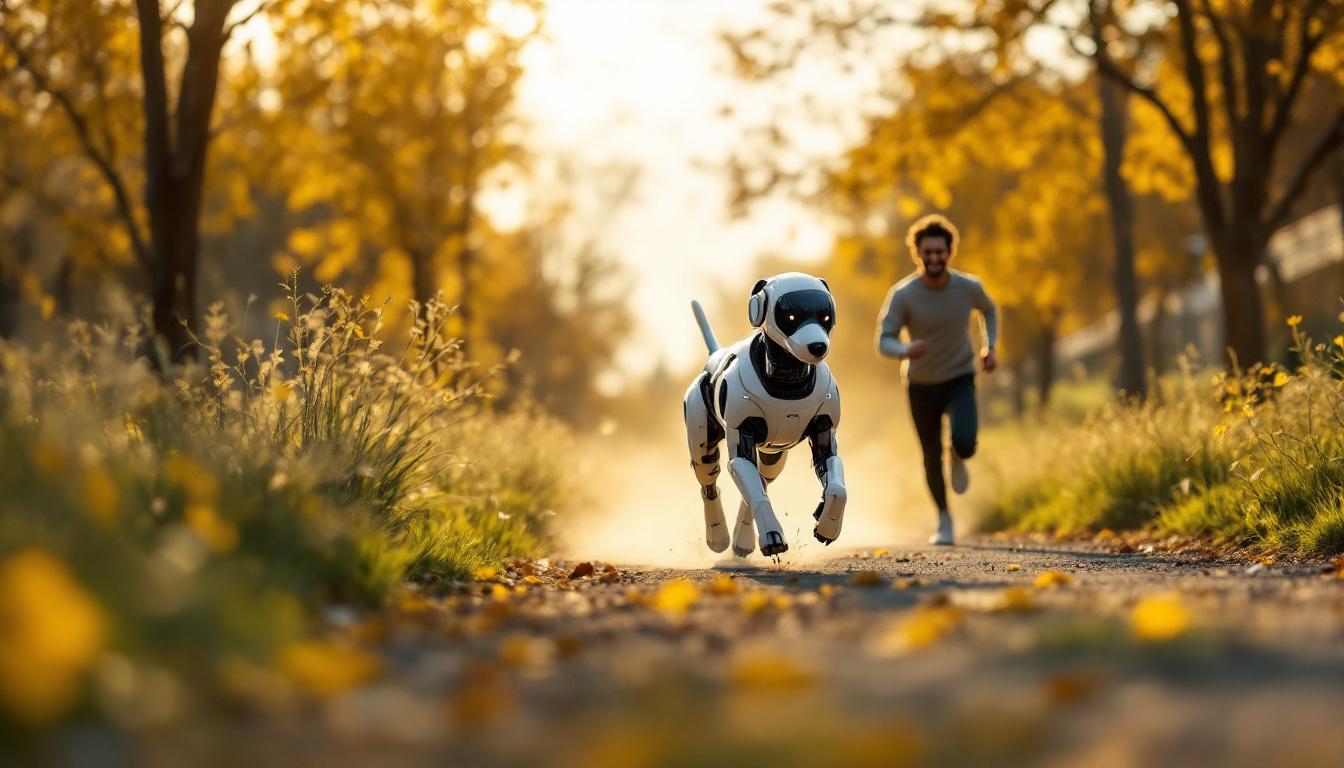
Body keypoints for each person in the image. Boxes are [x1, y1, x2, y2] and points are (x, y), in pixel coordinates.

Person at [876, 214, 998, 546]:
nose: (934, 258)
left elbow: (989, 309)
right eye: (927, 252)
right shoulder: (903, 294)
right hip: (920, 385)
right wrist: (904, 348)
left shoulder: (968, 287)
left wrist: (990, 346)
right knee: (930, 454)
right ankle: (944, 518)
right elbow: (883, 340)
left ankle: (957, 454)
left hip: (959, 375)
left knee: (965, 442)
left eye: (939, 252)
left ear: (950, 252)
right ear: (917, 253)